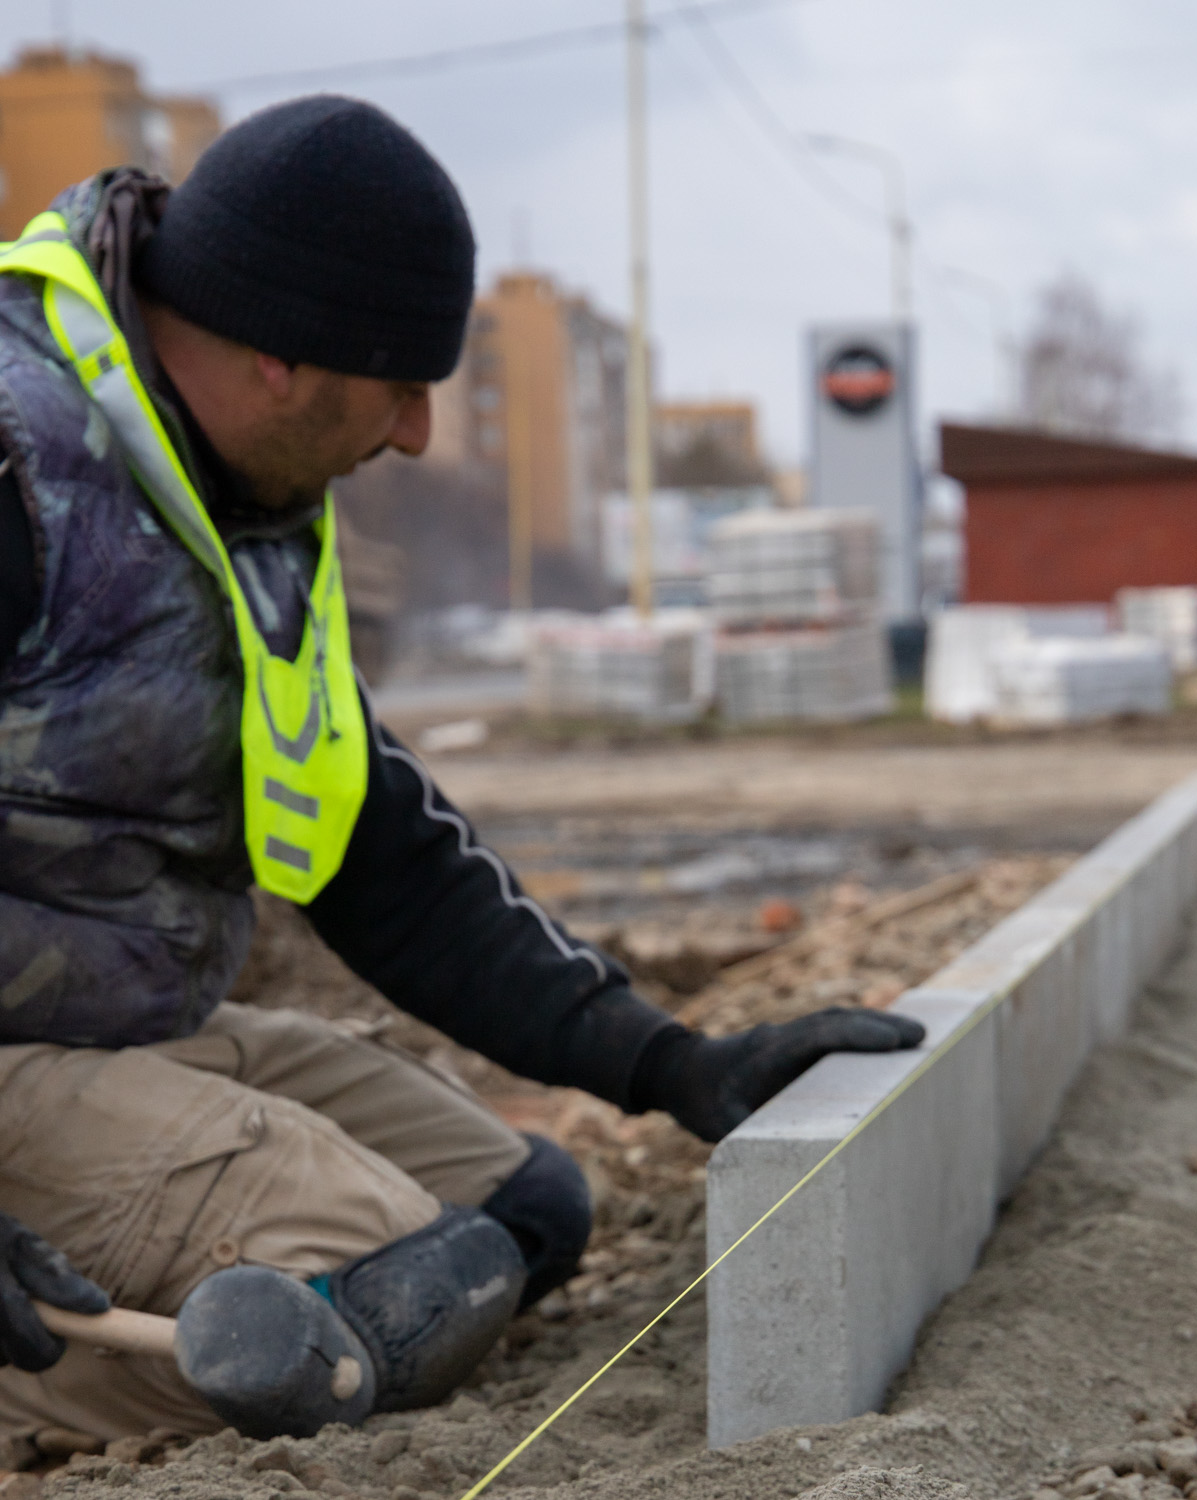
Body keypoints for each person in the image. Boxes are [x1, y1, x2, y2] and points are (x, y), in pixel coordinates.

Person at [0, 96, 923, 1441]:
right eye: (402, 382)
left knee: (519, 1221)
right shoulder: (20, 468)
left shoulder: (237, 504)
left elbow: (383, 853)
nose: (422, 433)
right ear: (281, 358)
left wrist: (668, 1064)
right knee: (379, 1294)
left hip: (117, 1029)